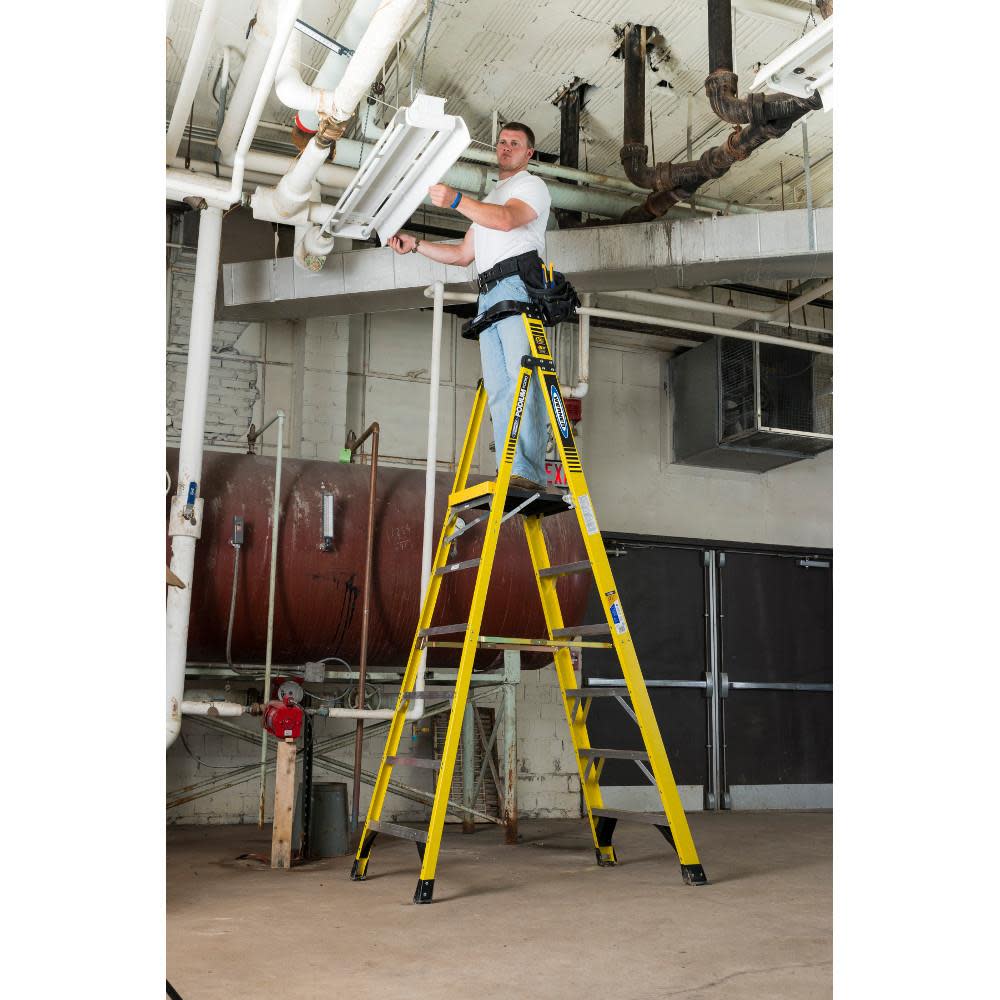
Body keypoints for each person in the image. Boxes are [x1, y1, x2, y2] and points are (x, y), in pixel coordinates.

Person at [387, 122, 553, 492]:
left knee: (522, 377)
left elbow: (507, 220)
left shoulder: (531, 187)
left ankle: (528, 472)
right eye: (502, 142)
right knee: (499, 386)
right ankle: (511, 468)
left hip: (517, 285)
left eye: (515, 143)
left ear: (529, 153)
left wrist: (456, 200)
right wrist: (416, 245)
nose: (505, 147)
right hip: (488, 291)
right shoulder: (492, 198)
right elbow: (463, 255)